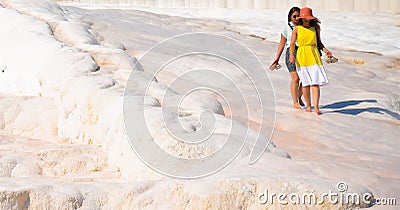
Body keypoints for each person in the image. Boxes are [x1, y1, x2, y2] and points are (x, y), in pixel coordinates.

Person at [289, 7, 333, 115]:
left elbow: (319, 43)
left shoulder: (315, 28)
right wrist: (291, 55)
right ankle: (308, 106)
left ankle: (316, 107)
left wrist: (327, 51)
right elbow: (292, 44)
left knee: (315, 83)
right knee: (305, 83)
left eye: (307, 18)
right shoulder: (297, 29)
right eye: (304, 18)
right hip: (302, 56)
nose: (306, 20)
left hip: (314, 56)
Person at [270, 7, 304, 109]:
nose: (297, 18)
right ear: (290, 17)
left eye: (299, 16)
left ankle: (299, 96)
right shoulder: (286, 28)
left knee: (305, 78)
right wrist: (277, 58)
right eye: (294, 16)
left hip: (303, 52)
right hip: (291, 52)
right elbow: (282, 43)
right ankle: (295, 102)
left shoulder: (304, 27)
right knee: (295, 78)